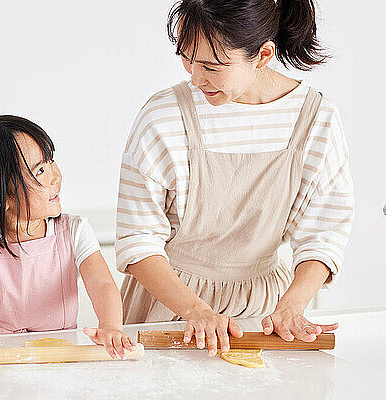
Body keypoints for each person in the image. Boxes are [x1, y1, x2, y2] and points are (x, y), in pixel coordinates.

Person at [116, 0, 353, 357]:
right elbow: (138, 240)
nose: (196, 78)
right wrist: (196, 311)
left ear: (262, 55)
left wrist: (292, 304)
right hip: (168, 308)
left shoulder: (317, 119)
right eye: (187, 58)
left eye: (213, 66)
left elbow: (324, 233)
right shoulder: (162, 117)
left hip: (264, 310)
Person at [0, 115, 136, 370]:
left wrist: (110, 326)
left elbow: (102, 284)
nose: (55, 176)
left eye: (51, 161)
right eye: (40, 170)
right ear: (0, 197)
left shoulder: (73, 231)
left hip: (58, 364)